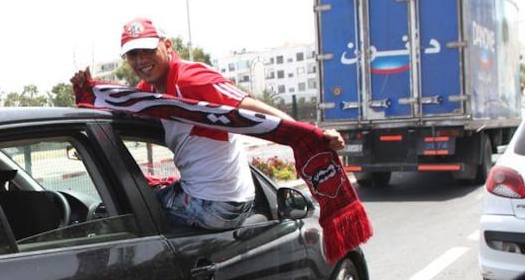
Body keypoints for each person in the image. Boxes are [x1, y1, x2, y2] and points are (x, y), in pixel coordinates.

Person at [71, 17, 345, 231]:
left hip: (214, 206)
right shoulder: (152, 92)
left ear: (167, 46)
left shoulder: (190, 78)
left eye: (147, 50)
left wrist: (310, 134)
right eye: (133, 55)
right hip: (228, 200)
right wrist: (87, 92)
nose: (141, 60)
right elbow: (120, 111)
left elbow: (250, 107)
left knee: (118, 215)